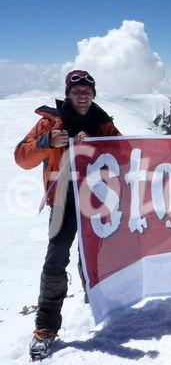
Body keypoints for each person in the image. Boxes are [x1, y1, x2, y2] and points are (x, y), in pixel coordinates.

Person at [14, 70, 121, 360]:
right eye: (77, 92)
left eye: (87, 91)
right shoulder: (50, 122)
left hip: (97, 198)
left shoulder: (103, 122)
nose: (82, 96)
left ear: (93, 94)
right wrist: (47, 142)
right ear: (68, 94)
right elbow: (21, 156)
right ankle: (46, 327)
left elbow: (123, 151)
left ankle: (98, 300)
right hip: (62, 199)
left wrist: (99, 144)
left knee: (96, 255)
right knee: (56, 257)